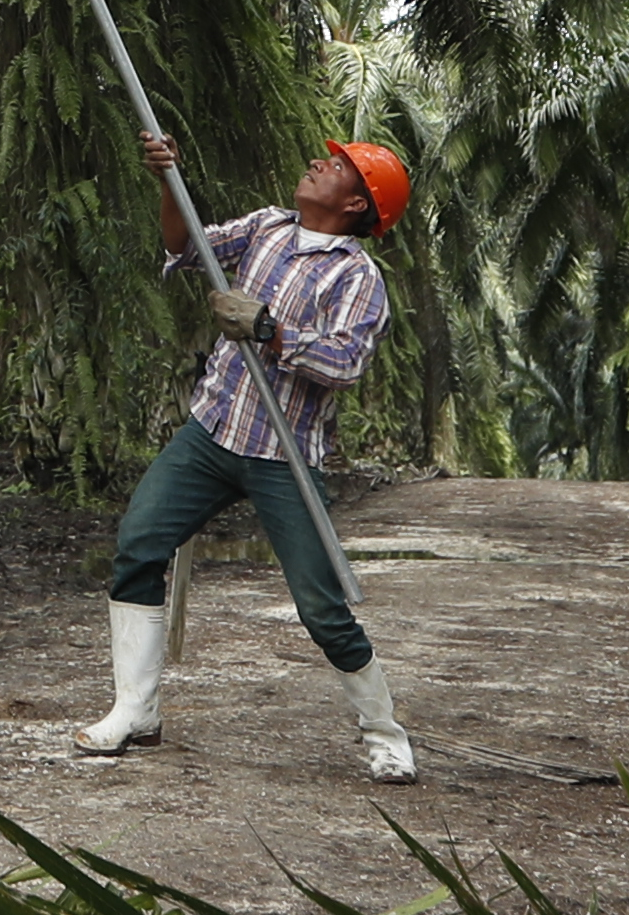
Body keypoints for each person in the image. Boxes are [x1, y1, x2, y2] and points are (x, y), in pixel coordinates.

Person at [76, 130, 419, 784]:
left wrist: (268, 328)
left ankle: (383, 731)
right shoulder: (267, 227)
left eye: (339, 167)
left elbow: (345, 364)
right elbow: (186, 248)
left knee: (321, 605)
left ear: (355, 205)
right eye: (327, 157)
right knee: (139, 545)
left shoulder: (356, 276)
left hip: (282, 454)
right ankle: (135, 711)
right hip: (212, 432)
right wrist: (167, 180)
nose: (320, 163)